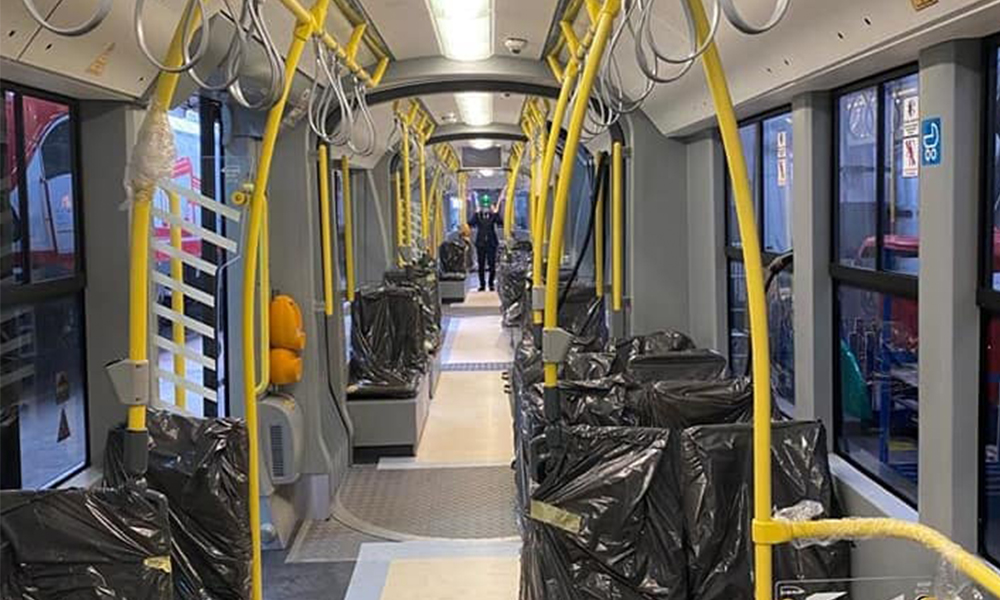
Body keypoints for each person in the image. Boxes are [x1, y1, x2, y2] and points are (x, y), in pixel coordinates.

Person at [467, 197, 503, 291]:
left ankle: (491, 284)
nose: (485, 208)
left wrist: (496, 213)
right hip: (481, 244)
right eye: (484, 206)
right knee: (481, 265)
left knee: (492, 264)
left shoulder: (493, 216)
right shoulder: (478, 216)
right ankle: (482, 285)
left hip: (491, 243)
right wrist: (475, 213)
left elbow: (500, 223)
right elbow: (470, 223)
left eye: (487, 206)